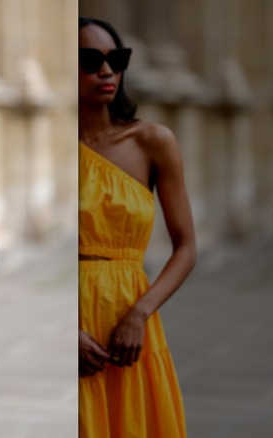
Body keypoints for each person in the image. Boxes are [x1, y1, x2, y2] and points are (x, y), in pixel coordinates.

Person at [77, 16, 197, 438]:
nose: (107, 71)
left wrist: (139, 315)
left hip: (130, 314)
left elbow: (185, 247)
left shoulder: (152, 141)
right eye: (90, 60)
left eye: (116, 59)